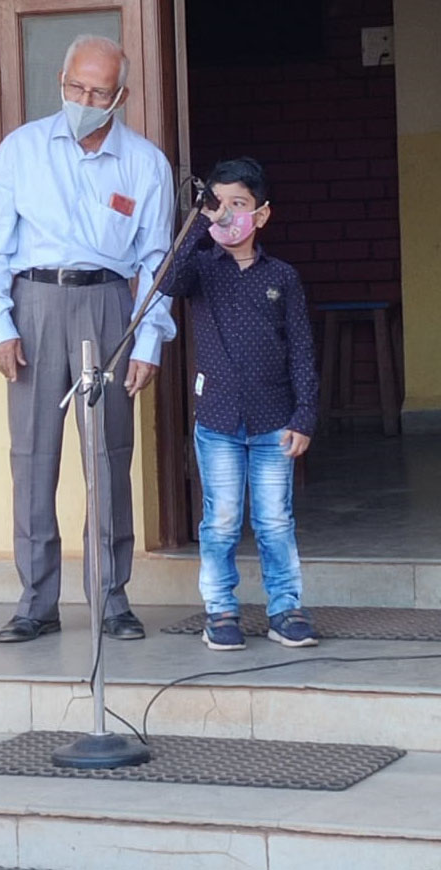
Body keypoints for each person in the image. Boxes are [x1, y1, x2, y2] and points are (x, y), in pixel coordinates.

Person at [0, 35, 175, 643]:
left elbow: (158, 261)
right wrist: (0, 323)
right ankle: (36, 600)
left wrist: (148, 341)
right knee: (32, 457)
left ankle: (111, 597)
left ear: (122, 96)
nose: (85, 100)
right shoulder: (21, 151)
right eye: (76, 88)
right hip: (33, 302)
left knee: (109, 456)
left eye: (99, 92)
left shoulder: (145, 164)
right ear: (61, 81)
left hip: (110, 304)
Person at [160, 157, 319, 650]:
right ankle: (221, 610)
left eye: (239, 205)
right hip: (219, 422)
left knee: (274, 521)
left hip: (274, 422)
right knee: (222, 519)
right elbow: (168, 281)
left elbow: (302, 350)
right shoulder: (203, 271)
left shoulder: (283, 277)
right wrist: (198, 223)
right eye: (219, 204)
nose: (229, 215)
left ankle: (286, 608)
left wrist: (304, 415)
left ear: (262, 214)